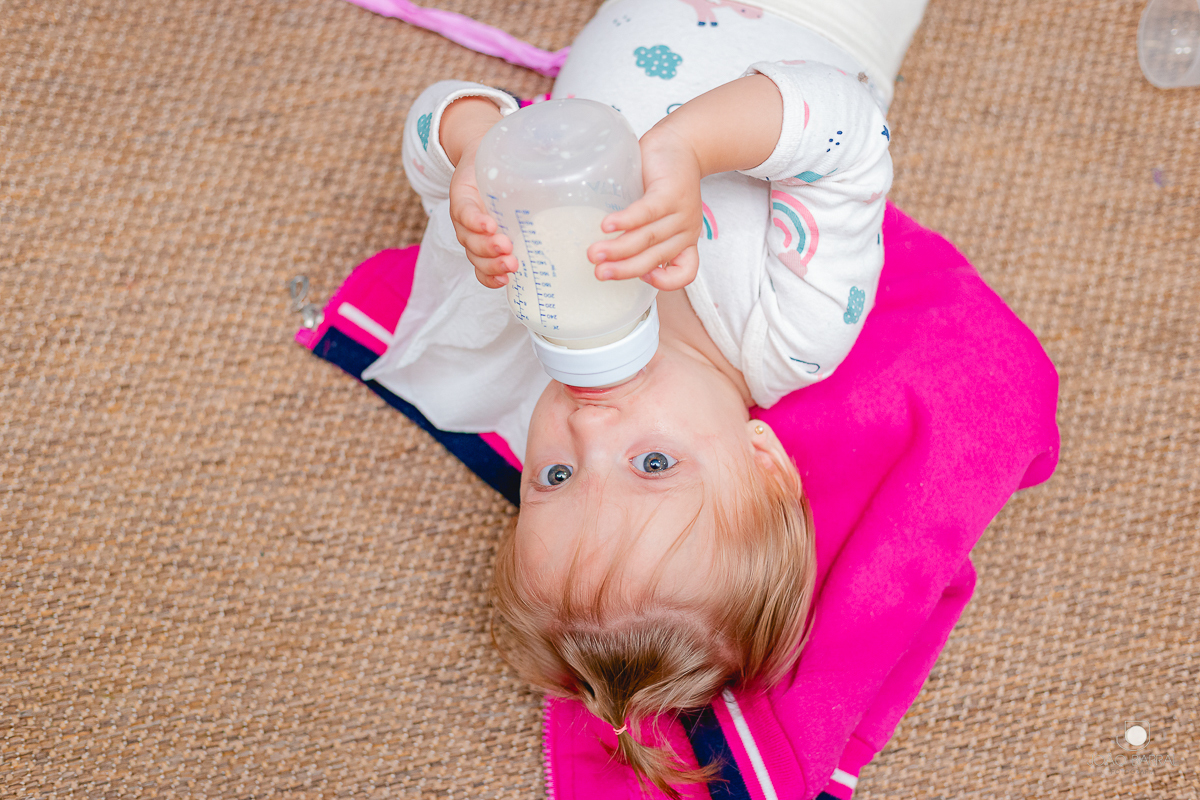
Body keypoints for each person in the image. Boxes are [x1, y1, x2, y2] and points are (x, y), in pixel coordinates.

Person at [361, 0, 927, 795]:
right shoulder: (794, 332)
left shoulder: (540, 296)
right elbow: (850, 132)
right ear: (764, 462)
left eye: (554, 477)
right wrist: (693, 147)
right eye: (652, 463)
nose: (588, 426)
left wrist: (472, 159)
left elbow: (429, 120)